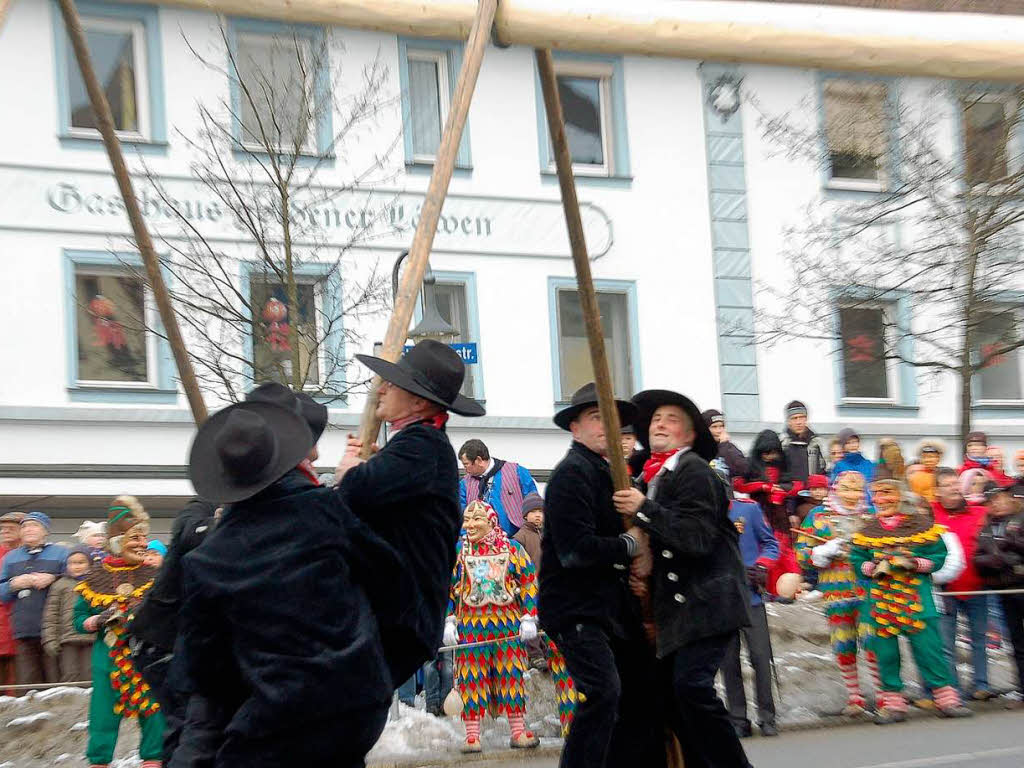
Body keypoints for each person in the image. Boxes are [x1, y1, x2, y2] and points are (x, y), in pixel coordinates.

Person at [180, 383, 400, 768]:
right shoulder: (323, 508)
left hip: (278, 719)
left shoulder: (208, 559)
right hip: (357, 701)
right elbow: (388, 574)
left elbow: (205, 670)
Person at [336, 340, 485, 693]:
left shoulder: (422, 446)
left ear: (417, 402)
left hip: (398, 616)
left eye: (393, 383)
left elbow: (353, 491)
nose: (382, 388)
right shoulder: (418, 445)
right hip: (397, 614)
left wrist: (350, 472)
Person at [614, 388, 752, 768]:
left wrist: (644, 510)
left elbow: (696, 538)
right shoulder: (650, 475)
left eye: (672, 419)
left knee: (691, 688)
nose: (660, 422)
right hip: (680, 607)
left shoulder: (692, 470)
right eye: (656, 418)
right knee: (669, 698)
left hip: (708, 603)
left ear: (690, 436)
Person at [539, 383, 662, 768]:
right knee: (603, 692)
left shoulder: (612, 475)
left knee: (639, 690)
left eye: (611, 419)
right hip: (577, 609)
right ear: (574, 427)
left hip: (609, 609)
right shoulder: (571, 474)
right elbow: (575, 550)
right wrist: (628, 545)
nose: (606, 426)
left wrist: (640, 564)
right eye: (595, 417)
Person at [849, 474, 971, 723]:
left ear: (901, 496)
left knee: (930, 650)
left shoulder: (922, 525)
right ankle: (894, 705)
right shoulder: (867, 530)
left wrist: (916, 563)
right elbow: (857, 558)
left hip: (917, 599)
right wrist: (870, 567)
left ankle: (946, 700)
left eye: (887, 493)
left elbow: (939, 554)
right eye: (877, 495)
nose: (881, 500)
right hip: (882, 602)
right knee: (887, 655)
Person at [74, 497, 165, 768]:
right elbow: (78, 619)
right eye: (134, 539)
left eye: (143, 538)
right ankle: (100, 762)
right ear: (116, 541)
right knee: (102, 717)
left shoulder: (154, 575)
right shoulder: (94, 577)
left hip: (146, 653)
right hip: (107, 657)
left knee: (154, 714)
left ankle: (153, 761)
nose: (142, 544)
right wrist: (97, 620)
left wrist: (143, 615)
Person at [444, 500, 540, 753]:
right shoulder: (459, 551)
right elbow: (446, 586)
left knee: (511, 676)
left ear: (491, 522)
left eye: (476, 520)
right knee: (471, 679)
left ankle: (518, 731)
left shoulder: (512, 548)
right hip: (471, 627)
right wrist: (448, 619)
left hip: (507, 624)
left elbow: (529, 579)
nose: (470, 525)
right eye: (467, 520)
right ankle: (472, 735)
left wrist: (529, 616)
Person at [795, 471, 880, 716]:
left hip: (868, 590)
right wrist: (820, 553)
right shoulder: (818, 516)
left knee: (872, 641)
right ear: (835, 489)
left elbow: (887, 547)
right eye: (846, 489)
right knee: (843, 643)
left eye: (857, 490)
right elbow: (801, 553)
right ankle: (855, 696)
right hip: (835, 590)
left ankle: (884, 694)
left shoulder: (871, 516)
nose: (852, 495)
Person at [720, 479, 780, 738]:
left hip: (751, 595)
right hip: (720, 600)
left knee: (760, 658)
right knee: (728, 663)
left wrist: (763, 565)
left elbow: (771, 543)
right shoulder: (698, 516)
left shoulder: (749, 509)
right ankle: (738, 719)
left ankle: (767, 716)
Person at [932, 467, 992, 700]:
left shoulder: (978, 513)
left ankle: (981, 684)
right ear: (937, 491)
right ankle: (953, 690)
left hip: (976, 585)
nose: (955, 489)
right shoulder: (929, 515)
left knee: (979, 638)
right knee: (947, 643)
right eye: (947, 485)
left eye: (956, 484)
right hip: (944, 588)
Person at [0, 511, 67, 685]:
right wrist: (14, 584)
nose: (29, 530)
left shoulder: (61, 553)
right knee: (27, 681)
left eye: (34, 525)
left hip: (54, 629)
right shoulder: (10, 558)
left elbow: (76, 579)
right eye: (25, 526)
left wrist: (53, 578)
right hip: (23, 629)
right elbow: (3, 593)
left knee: (54, 680)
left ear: (46, 531)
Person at [973, 483, 1024, 709]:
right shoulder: (987, 526)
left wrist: (1010, 546)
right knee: (1017, 643)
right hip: (1004, 588)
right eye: (992, 501)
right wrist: (999, 559)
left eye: (1000, 499)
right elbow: (979, 557)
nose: (997, 504)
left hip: (1021, 585)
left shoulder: (1020, 519)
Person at [734, 430, 800, 594]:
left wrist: (782, 490)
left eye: (773, 453)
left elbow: (798, 485)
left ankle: (782, 588)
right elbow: (739, 485)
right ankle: (764, 586)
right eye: (766, 453)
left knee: (781, 547)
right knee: (760, 547)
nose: (769, 457)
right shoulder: (750, 465)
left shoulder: (784, 465)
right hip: (757, 512)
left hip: (779, 514)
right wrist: (762, 486)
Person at [458, 439, 538, 536]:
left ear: (479, 460)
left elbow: (533, 504)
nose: (465, 469)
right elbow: (460, 516)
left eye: (466, 464)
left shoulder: (518, 472)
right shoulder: (464, 484)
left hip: (517, 539)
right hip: (480, 544)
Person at [42, 546, 94, 683]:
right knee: (70, 674)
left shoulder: (97, 583)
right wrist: (50, 639)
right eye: (72, 563)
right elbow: (51, 615)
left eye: (80, 563)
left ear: (90, 563)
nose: (76, 566)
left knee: (90, 674)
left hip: (92, 638)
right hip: (67, 639)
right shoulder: (60, 585)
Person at [0, 511, 24, 695]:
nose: (5, 531)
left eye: (11, 528)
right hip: (4, 625)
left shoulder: (28, 555)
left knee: (18, 681)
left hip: (22, 627)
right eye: (3, 528)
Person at [779, 400, 827, 483]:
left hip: (813, 493)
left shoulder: (817, 443)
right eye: (794, 418)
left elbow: (824, 470)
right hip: (789, 493)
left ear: (806, 419)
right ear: (788, 421)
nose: (799, 422)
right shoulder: (782, 444)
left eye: (802, 417)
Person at [702, 408, 748, 479]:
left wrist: (724, 445)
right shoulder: (698, 448)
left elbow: (743, 469)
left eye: (721, 426)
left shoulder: (729, 447)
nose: (719, 430)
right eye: (714, 427)